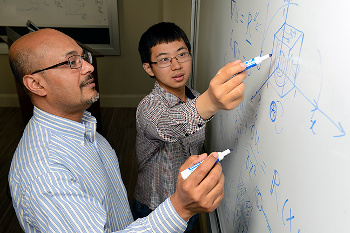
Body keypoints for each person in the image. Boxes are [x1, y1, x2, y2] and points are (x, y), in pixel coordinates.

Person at [7, 28, 237, 232]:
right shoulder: (45, 173)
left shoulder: (85, 128)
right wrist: (180, 207)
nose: (89, 67)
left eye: (83, 57)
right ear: (36, 84)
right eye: (71, 62)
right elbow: (168, 125)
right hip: (159, 206)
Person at [133, 22, 247, 231]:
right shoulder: (147, 108)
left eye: (182, 54)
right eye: (164, 60)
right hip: (155, 206)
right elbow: (168, 125)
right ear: (148, 68)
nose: (177, 65)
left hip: (191, 201)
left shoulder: (194, 96)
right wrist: (210, 102)